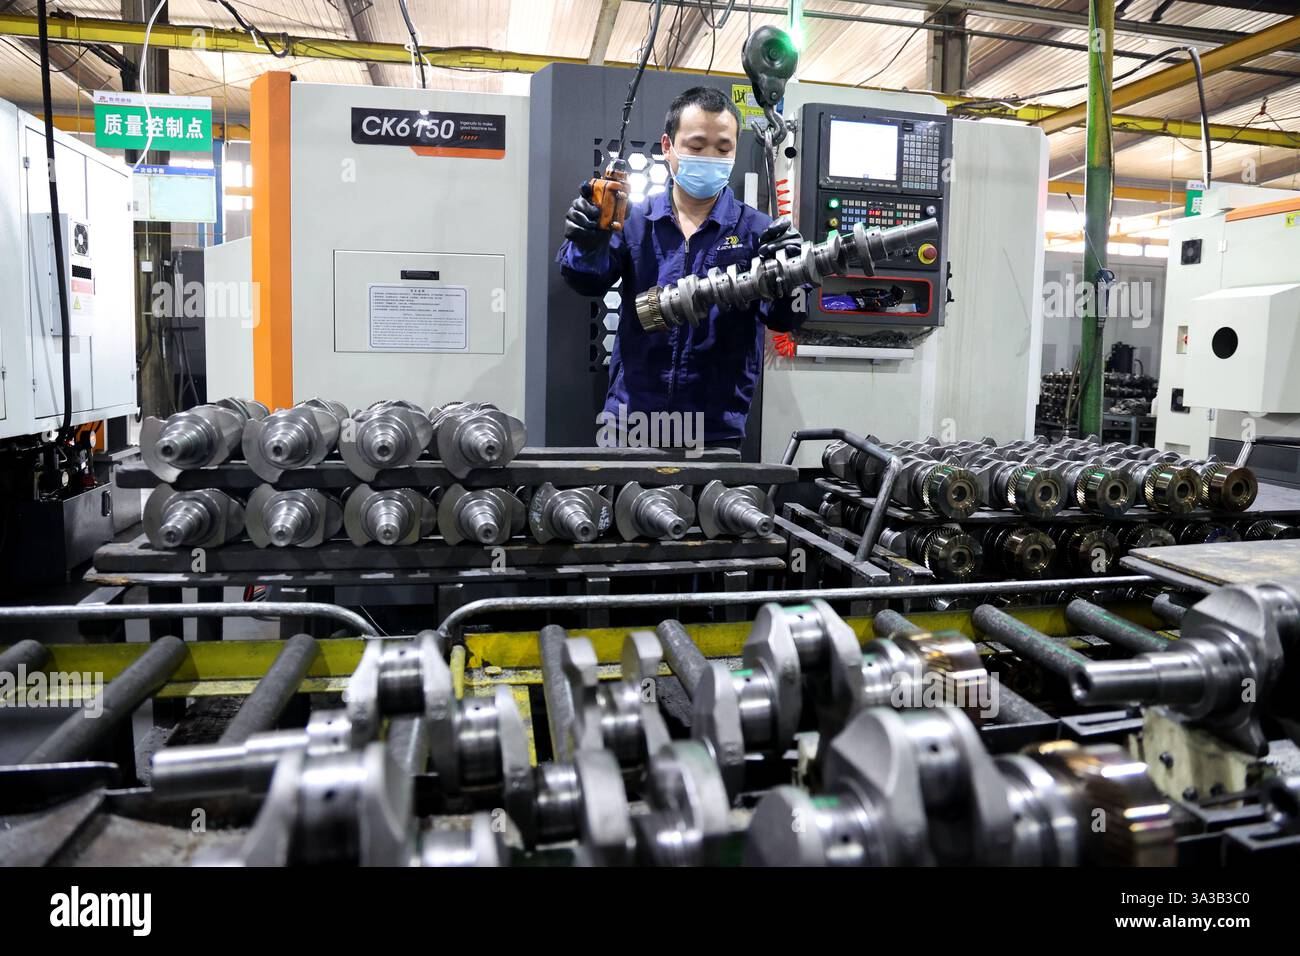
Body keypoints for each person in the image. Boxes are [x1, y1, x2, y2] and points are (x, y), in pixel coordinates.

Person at [556, 86, 806, 450]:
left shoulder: (757, 231)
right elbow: (585, 281)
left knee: (706, 509)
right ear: (667, 147)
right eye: (696, 145)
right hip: (632, 421)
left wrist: (790, 274)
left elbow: (788, 319)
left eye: (723, 148)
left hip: (714, 429)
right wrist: (585, 242)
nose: (710, 157)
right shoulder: (634, 221)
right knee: (622, 507)